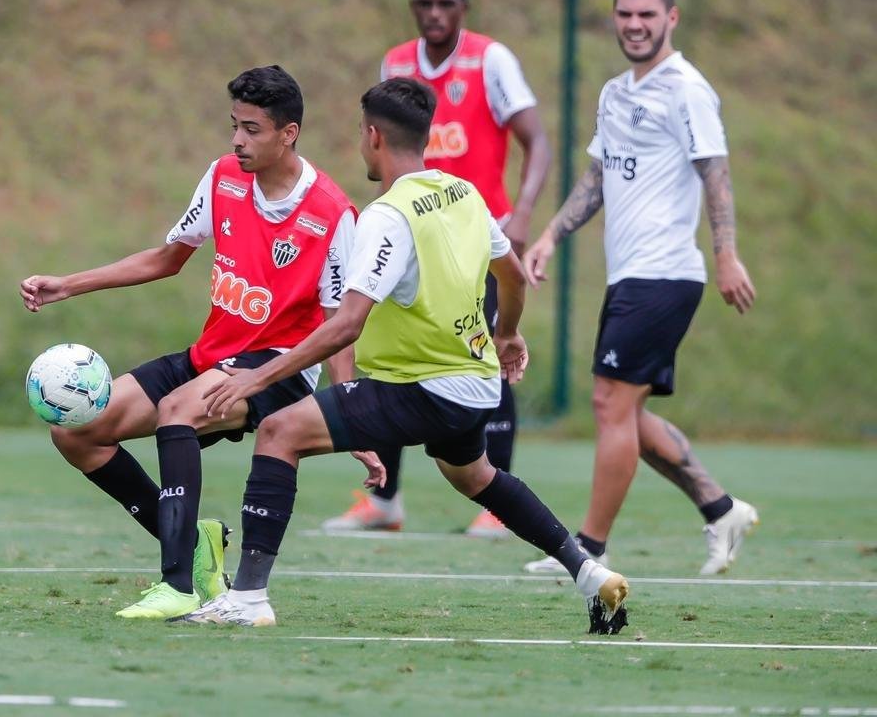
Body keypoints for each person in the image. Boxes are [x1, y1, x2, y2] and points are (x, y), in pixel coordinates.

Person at [180, 78, 629, 633]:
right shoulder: (462, 193)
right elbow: (511, 272)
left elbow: (345, 324)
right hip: (476, 385)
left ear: (373, 137)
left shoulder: (387, 216)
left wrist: (256, 380)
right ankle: (586, 571)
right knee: (475, 477)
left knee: (279, 432)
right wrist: (507, 333)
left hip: (423, 387)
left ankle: (246, 599)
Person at [19, 65, 374, 619]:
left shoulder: (331, 213)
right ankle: (199, 545)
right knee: (75, 431)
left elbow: (339, 325)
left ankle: (178, 584)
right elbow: (166, 258)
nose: (237, 140)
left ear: (289, 133)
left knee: (177, 410)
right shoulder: (222, 179)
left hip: (275, 371)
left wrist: (348, 409)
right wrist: (69, 284)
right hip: (212, 353)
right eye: (234, 125)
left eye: (252, 129)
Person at [520, 0, 759, 577]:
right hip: (630, 276)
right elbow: (597, 178)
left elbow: (716, 173)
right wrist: (549, 234)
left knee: (608, 403)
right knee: (624, 409)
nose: (634, 24)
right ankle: (720, 508)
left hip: (666, 273)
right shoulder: (615, 92)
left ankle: (587, 553)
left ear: (670, 17)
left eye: (647, 14)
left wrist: (727, 252)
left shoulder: (687, 89)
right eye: (625, 13)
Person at [323, 0, 551, 538]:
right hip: (407, 234)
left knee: (488, 356)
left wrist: (521, 213)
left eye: (445, 4)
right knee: (387, 356)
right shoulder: (396, 64)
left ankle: (496, 501)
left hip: (469, 239)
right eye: (424, 3)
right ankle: (383, 500)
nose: (434, 14)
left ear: (463, 9)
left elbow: (538, 140)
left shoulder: (490, 60)